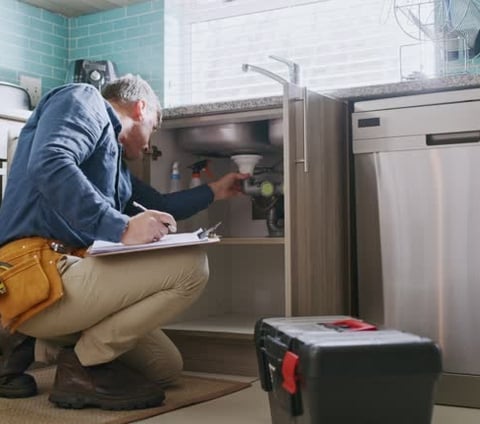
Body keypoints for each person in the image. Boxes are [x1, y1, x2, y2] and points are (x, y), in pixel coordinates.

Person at [0, 74, 248, 409]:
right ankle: (81, 365)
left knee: (165, 368)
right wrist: (120, 228)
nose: (149, 144)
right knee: (192, 264)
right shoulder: (84, 99)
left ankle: (46, 345)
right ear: (140, 108)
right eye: (155, 127)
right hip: (34, 273)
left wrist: (215, 191)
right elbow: (51, 161)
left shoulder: (116, 173)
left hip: (67, 278)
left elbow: (161, 205)